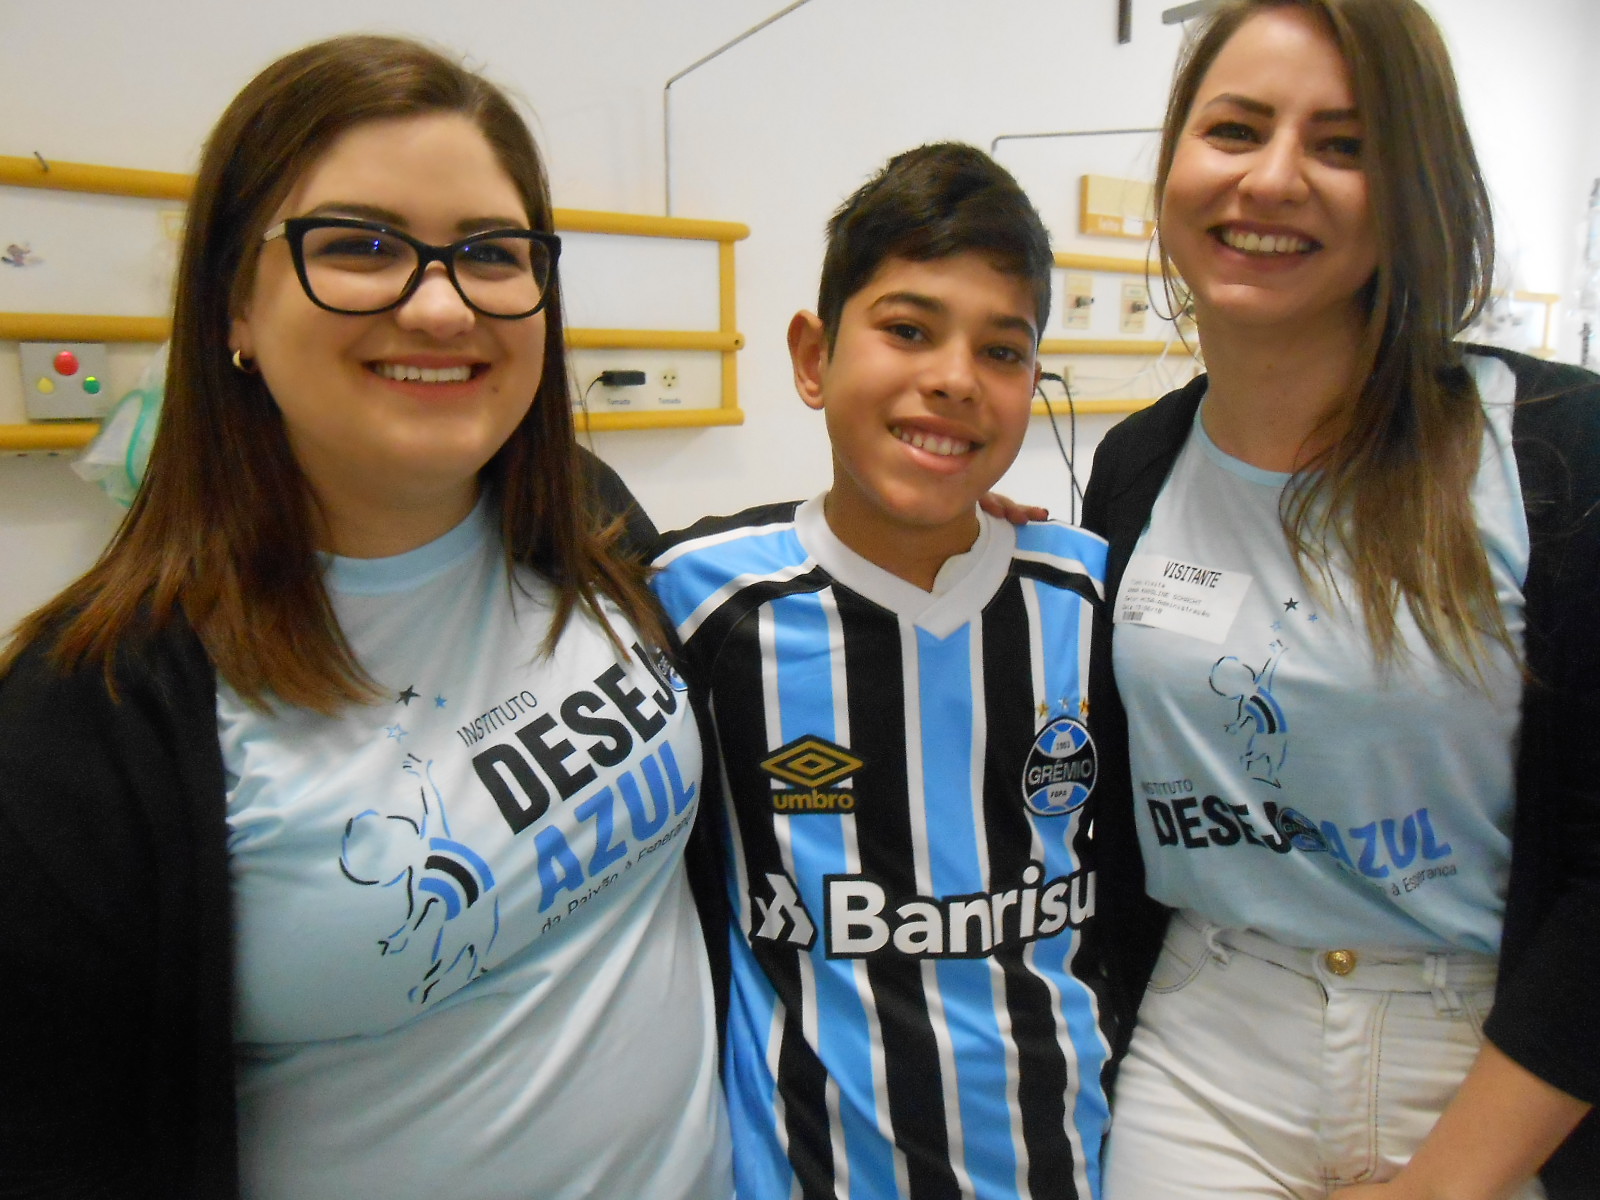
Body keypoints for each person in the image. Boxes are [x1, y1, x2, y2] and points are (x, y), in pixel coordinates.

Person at [0, 35, 730, 1199]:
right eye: (360, 246)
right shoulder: (86, 722)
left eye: (490, 254)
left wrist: (932, 513)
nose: (440, 306)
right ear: (234, 301)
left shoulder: (589, 525)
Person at [1078, 2, 1600, 1198]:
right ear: (1174, 163)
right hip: (1203, 1042)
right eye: (1235, 129)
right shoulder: (1133, 468)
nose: (1271, 179)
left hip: (1489, 1058)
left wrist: (1441, 1184)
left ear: (1412, 188)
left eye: (1342, 144)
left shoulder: (1557, 452)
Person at [653, 143, 1115, 1200]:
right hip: (804, 1172)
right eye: (907, 330)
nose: (953, 377)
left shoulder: (1085, 594)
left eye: (1002, 353)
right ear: (813, 357)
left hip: (1068, 1164)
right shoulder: (698, 601)